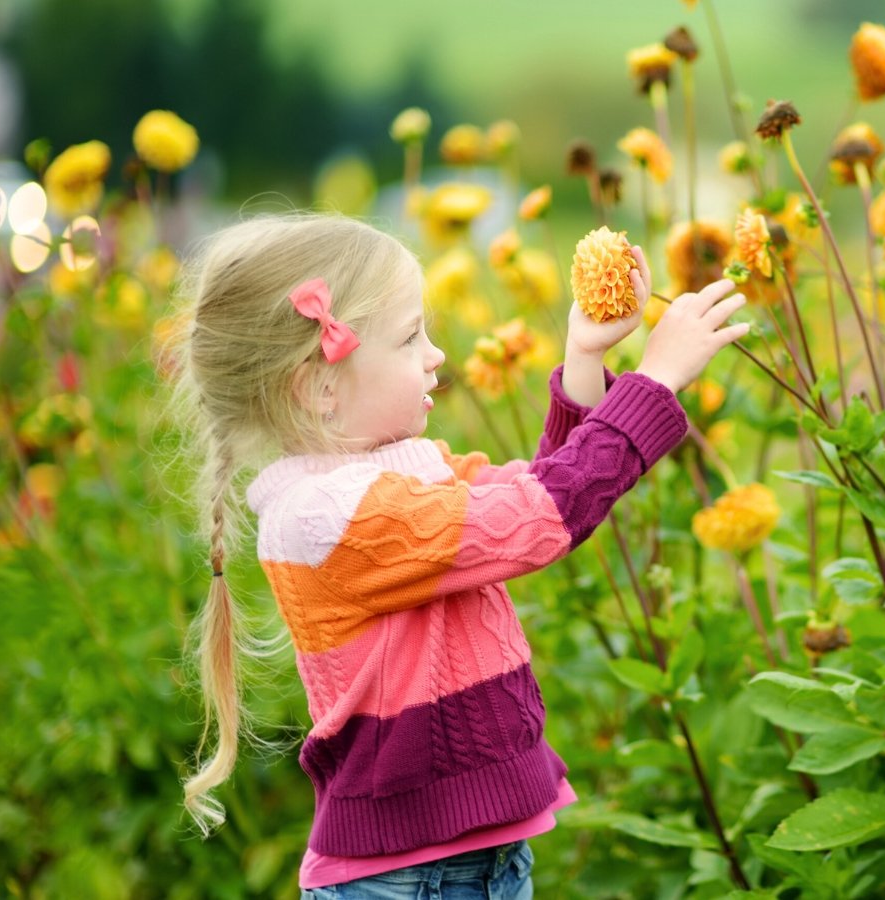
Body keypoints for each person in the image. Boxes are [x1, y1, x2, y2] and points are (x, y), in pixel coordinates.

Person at [168, 213, 749, 897]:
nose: (435, 354)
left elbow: (534, 492)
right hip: (411, 881)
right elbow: (537, 518)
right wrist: (654, 382)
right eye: (412, 337)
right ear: (320, 388)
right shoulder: (331, 519)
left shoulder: (398, 475)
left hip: (480, 864)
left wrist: (586, 358)